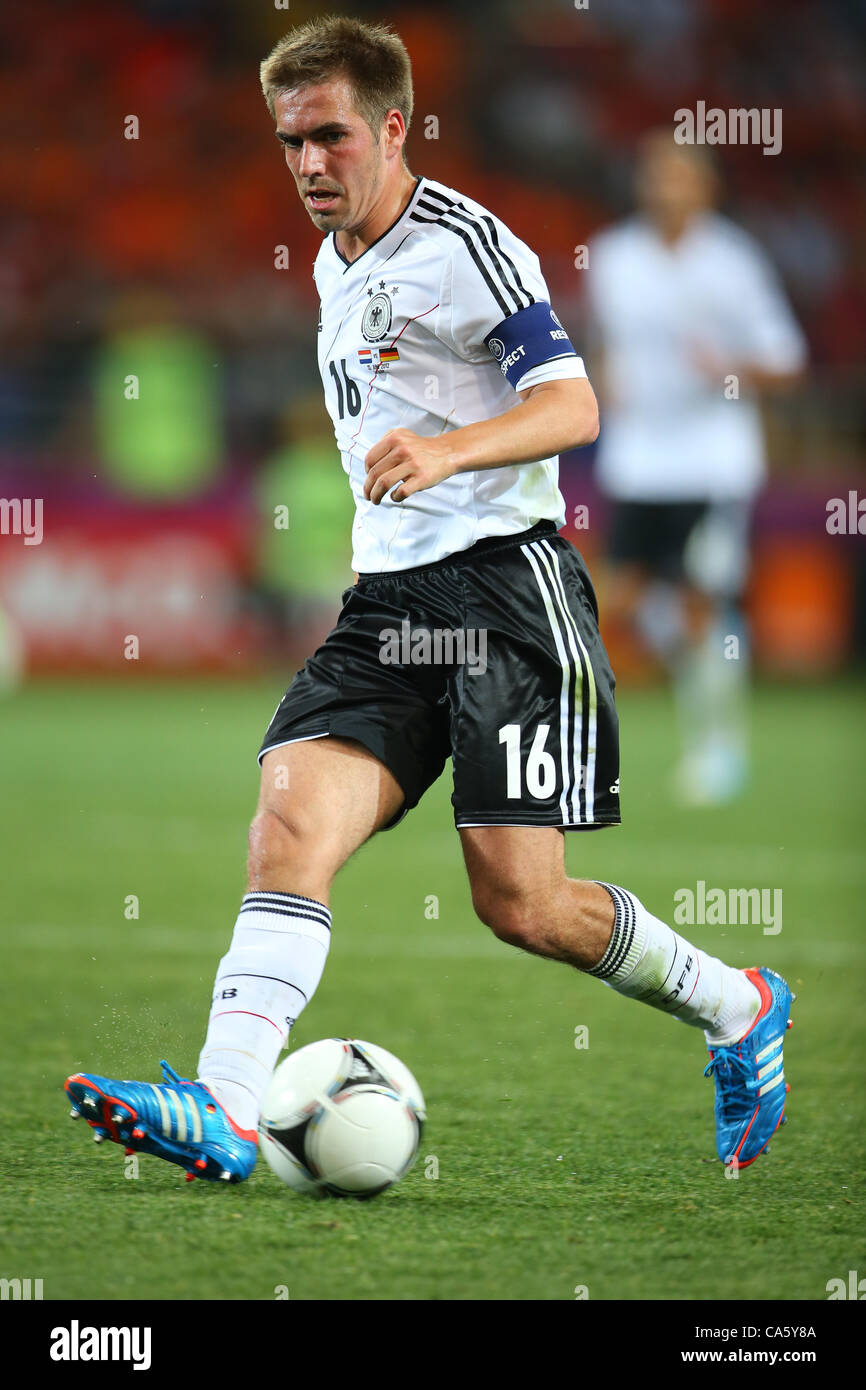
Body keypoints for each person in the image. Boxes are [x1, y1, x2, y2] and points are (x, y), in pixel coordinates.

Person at [65, 18, 793, 1182]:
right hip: (389, 605)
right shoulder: (326, 261)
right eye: (289, 142)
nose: (307, 164)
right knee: (287, 823)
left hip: (509, 593)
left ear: (393, 127)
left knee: (519, 902)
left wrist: (449, 456)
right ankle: (226, 1105)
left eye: (330, 138)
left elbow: (571, 407)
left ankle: (735, 1000)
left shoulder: (467, 245)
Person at [587, 131, 807, 803]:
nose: (665, 189)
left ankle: (719, 749)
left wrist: (729, 369)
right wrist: (604, 380)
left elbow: (787, 361)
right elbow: (603, 341)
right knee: (626, 599)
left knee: (701, 599)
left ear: (706, 188)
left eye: (680, 177)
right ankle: (601, 739)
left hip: (712, 461)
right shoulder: (613, 257)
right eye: (657, 176)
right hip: (638, 458)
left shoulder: (733, 262)